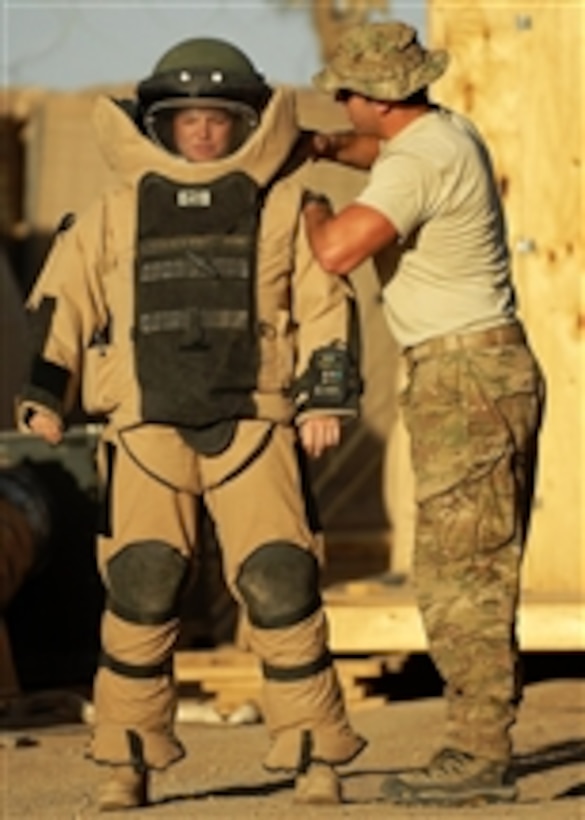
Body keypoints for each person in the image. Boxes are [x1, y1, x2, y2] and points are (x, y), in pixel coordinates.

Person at [16, 37, 366, 811]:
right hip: (144, 430)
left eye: (219, 117)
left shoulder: (289, 208)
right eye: (187, 119)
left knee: (281, 581)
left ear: (247, 122)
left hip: (258, 426)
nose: (203, 133)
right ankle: (125, 761)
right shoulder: (111, 216)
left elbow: (323, 310)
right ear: (158, 125)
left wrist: (326, 396)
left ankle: (315, 754)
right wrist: (45, 393)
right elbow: (63, 307)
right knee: (140, 584)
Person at [301, 20, 545, 808]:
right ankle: (484, 738)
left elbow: (336, 250)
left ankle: (478, 754)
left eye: (346, 92)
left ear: (377, 97)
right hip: (478, 369)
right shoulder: (441, 132)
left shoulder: (421, 160)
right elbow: (382, 155)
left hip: (460, 377)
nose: (339, 99)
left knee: (459, 576)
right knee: (477, 563)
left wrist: (304, 204)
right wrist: (330, 148)